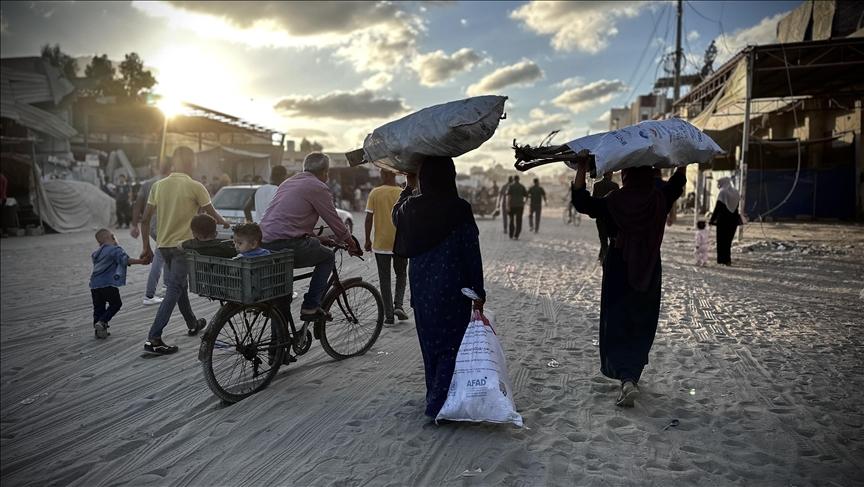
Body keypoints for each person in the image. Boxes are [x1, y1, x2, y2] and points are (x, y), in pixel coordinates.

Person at [572, 162, 685, 407]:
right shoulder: (659, 199)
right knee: (642, 323)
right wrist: (682, 160)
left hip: (618, 269)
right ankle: (631, 375)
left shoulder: (615, 201)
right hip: (649, 269)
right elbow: (677, 183)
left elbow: (582, 202)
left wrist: (581, 168)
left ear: (626, 176)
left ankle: (626, 378)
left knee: (617, 322)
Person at [392, 156, 486, 419]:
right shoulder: (460, 208)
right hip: (453, 287)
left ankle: (434, 393)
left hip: (422, 287)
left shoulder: (411, 207)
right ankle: (439, 402)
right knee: (451, 346)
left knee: (430, 344)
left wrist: (408, 187)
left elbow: (395, 216)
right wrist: (478, 291)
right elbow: (471, 252)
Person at [139, 146, 231, 355]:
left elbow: (144, 220)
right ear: (193, 163)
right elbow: (213, 215)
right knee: (174, 288)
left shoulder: (158, 186)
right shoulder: (195, 186)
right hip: (184, 247)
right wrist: (226, 224)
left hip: (163, 246)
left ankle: (193, 323)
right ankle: (154, 338)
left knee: (179, 285)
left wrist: (146, 247)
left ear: (173, 162)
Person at [260, 152, 361, 323]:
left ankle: (278, 340)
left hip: (265, 243)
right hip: (287, 244)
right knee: (327, 257)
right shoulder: (317, 187)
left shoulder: (288, 182)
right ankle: (311, 305)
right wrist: (351, 243)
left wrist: (320, 239)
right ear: (324, 172)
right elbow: (334, 220)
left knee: (282, 298)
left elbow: (290, 222)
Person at [364, 169, 409, 325]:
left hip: (381, 243)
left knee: (385, 280)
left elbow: (368, 218)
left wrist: (367, 240)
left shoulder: (375, 193)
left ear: (382, 175)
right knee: (401, 274)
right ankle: (399, 305)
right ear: (394, 175)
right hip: (400, 243)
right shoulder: (402, 193)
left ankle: (389, 316)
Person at [90, 228, 148, 339]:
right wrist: (141, 261)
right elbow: (125, 260)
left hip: (94, 285)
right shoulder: (115, 250)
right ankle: (102, 322)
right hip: (108, 284)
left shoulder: (96, 253)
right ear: (111, 237)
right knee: (116, 304)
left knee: (98, 308)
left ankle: (99, 331)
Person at [131, 161, 172, 306]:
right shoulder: (170, 183)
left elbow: (137, 205)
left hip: (152, 224)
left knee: (165, 254)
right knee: (161, 256)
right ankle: (150, 294)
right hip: (165, 224)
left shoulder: (148, 183)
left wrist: (134, 225)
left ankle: (166, 285)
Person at [708, 177, 741, 266]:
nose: (718, 185)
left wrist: (711, 220)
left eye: (719, 183)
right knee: (728, 241)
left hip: (723, 221)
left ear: (723, 183)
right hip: (733, 220)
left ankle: (721, 260)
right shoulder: (736, 192)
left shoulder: (722, 192)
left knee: (721, 241)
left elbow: (718, 207)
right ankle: (727, 260)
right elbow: (737, 207)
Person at [592, 172, 620, 262]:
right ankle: (607, 259)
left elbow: (594, 200)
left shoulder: (597, 185)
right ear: (610, 174)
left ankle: (603, 256)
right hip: (611, 217)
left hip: (600, 216)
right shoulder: (615, 186)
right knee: (612, 238)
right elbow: (618, 202)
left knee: (603, 238)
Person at [507, 175, 528, 239]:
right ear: (519, 179)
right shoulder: (522, 186)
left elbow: (509, 196)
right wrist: (524, 202)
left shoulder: (511, 186)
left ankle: (511, 234)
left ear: (514, 179)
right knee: (519, 221)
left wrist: (508, 206)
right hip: (520, 206)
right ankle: (516, 235)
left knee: (511, 220)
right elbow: (526, 195)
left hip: (512, 205)